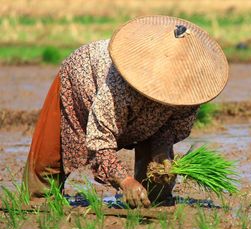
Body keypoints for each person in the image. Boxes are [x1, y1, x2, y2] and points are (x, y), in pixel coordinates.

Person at [22, 15, 229, 208]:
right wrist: (125, 181)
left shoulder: (189, 93)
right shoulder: (120, 87)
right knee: (50, 154)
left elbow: (169, 129)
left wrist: (161, 154)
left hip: (139, 109)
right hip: (82, 78)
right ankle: (39, 199)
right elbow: (100, 142)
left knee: (159, 181)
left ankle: (152, 199)